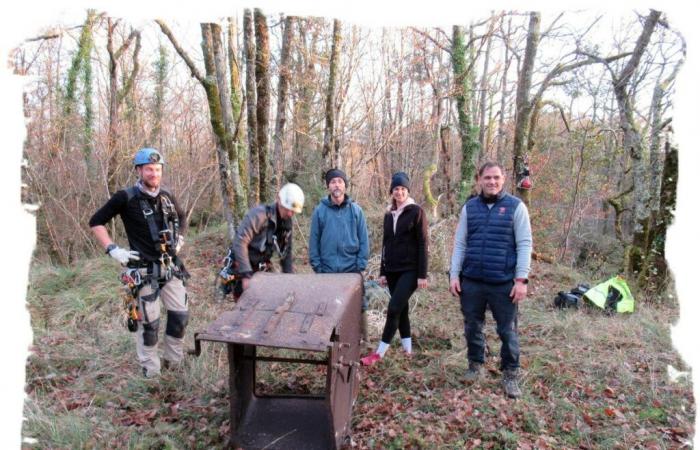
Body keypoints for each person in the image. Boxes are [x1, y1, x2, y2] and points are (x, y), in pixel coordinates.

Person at [89, 148, 189, 378]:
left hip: (170, 268)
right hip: (143, 271)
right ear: (139, 170)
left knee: (180, 317)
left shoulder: (167, 195)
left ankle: (173, 364)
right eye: (149, 169)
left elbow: (182, 218)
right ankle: (151, 372)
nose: (154, 174)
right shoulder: (125, 197)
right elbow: (96, 222)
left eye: (157, 169)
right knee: (150, 325)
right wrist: (113, 249)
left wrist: (180, 237)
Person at [448, 161, 532, 398]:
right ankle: (475, 365)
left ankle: (510, 374)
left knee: (507, 331)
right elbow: (460, 243)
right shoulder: (469, 208)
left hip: (504, 282)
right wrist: (455, 274)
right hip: (472, 280)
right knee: (472, 326)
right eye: (487, 178)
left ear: (503, 179)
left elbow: (525, 244)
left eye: (496, 177)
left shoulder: (516, 207)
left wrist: (521, 280)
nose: (492, 182)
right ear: (480, 180)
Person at [361, 172, 428, 366]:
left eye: (403, 189)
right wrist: (383, 271)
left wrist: (422, 274)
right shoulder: (389, 215)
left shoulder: (417, 212)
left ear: (408, 191)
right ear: (392, 191)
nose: (399, 192)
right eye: (396, 189)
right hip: (392, 270)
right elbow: (386, 244)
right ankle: (408, 351)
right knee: (403, 309)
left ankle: (379, 353)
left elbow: (423, 244)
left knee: (394, 308)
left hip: (410, 270)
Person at [308, 168, 370, 338]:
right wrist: (318, 266)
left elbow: (364, 241)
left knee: (358, 305)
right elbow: (314, 242)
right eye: (333, 181)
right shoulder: (320, 211)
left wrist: (360, 265)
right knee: (328, 306)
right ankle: (329, 340)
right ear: (328, 186)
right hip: (327, 270)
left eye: (340, 181)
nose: (337, 185)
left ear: (345, 186)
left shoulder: (356, 211)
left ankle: (363, 340)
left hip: (351, 269)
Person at [227, 183, 305, 297]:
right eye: (287, 209)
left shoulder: (286, 223)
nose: (289, 213)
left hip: (262, 265)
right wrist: (246, 275)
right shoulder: (259, 215)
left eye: (293, 211)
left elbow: (286, 253)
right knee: (244, 300)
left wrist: (290, 281)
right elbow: (240, 242)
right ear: (279, 200)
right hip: (243, 264)